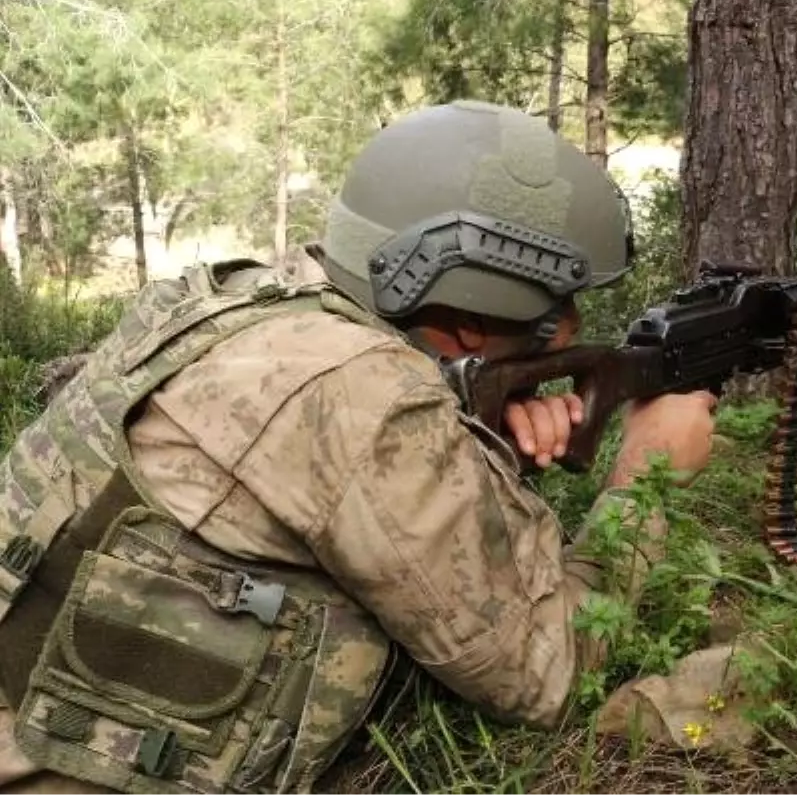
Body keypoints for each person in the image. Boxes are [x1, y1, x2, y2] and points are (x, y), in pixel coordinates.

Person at [0, 100, 716, 793]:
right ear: (470, 321)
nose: (572, 327)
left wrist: (478, 452)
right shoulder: (367, 403)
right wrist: (642, 480)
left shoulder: (248, 300)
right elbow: (546, 677)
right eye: (556, 309)